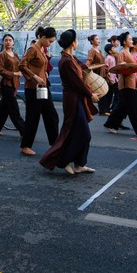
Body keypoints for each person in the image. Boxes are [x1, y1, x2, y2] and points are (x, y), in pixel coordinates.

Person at [40, 29, 98, 175]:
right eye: (77, 40)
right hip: (72, 100)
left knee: (76, 132)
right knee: (80, 133)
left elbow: (83, 67)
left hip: (77, 98)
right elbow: (77, 82)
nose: (78, 42)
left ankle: (79, 164)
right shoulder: (65, 61)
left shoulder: (70, 58)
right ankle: (62, 161)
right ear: (73, 43)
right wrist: (91, 94)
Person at [19, 26, 60, 156]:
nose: (50, 43)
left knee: (52, 115)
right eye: (50, 41)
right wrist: (35, 76)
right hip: (33, 88)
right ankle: (25, 145)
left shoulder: (42, 50)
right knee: (33, 117)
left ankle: (55, 143)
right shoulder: (33, 49)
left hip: (43, 87)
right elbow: (22, 65)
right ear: (43, 37)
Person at [104, 32, 137, 137]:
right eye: (130, 39)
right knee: (133, 108)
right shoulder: (122, 53)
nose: (131, 41)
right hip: (126, 84)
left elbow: (133, 71)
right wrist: (123, 66)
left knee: (123, 107)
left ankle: (110, 124)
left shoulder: (128, 53)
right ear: (124, 42)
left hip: (130, 83)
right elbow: (120, 69)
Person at [0, 34, 24, 135]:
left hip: (14, 83)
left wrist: (20, 71)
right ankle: (25, 131)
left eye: (10, 40)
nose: (8, 42)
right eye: (6, 40)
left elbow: (20, 66)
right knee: (14, 109)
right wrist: (14, 73)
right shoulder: (2, 55)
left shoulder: (16, 55)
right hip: (6, 84)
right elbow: (1, 70)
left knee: (4, 108)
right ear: (3, 42)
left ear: (13, 42)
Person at [86, 34, 112, 116]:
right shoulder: (92, 51)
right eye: (96, 39)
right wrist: (87, 67)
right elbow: (88, 61)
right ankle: (103, 110)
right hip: (96, 74)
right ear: (92, 41)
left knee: (104, 91)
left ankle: (105, 109)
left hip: (102, 73)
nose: (98, 40)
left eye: (99, 39)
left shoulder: (99, 51)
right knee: (101, 92)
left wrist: (107, 71)